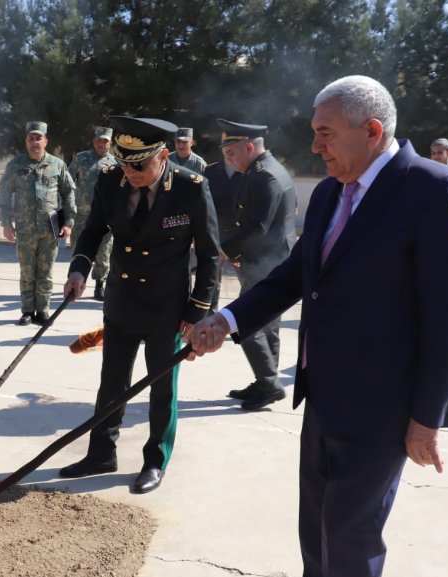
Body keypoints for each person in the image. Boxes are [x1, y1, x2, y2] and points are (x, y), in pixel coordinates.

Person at [187, 76, 448, 577]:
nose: (316, 147)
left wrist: (427, 417)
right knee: (317, 524)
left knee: (351, 533)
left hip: (385, 409)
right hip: (323, 394)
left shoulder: (434, 189)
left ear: (371, 131)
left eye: (325, 134)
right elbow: (296, 276)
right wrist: (226, 320)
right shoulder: (328, 193)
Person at [60, 116, 220, 494]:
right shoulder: (109, 181)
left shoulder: (190, 188)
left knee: (162, 388)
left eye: (139, 165)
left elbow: (211, 256)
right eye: (124, 163)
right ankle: (101, 453)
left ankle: (155, 460)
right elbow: (92, 231)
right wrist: (79, 271)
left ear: (162, 156)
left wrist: (196, 313)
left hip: (169, 308)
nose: (130, 172)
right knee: (111, 383)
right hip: (122, 299)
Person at [218, 120, 297, 410]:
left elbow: (257, 227)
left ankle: (269, 382)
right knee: (267, 324)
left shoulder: (265, 177)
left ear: (249, 147)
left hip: (267, 260)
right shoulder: (262, 170)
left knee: (246, 320)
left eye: (231, 153)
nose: (229, 160)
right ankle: (266, 381)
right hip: (268, 258)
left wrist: (224, 250)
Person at [0, 121, 76, 325]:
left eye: (38, 138)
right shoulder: (15, 166)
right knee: (27, 272)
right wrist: (6, 223)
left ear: (46, 141)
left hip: (50, 230)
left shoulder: (57, 165)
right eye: (31, 138)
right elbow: (5, 195)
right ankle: (27, 311)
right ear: (26, 141)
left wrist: (68, 223)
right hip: (25, 230)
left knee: (46, 271)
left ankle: (43, 311)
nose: (34, 142)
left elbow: (68, 194)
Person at [68, 126, 115, 300]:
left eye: (105, 141)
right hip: (81, 215)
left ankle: (99, 285)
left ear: (110, 143)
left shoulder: (115, 162)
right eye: (98, 140)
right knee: (79, 249)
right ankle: (77, 280)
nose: (101, 143)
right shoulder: (81, 158)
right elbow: (68, 181)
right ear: (93, 141)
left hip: (104, 217)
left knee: (104, 253)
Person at [203, 133, 243, 310]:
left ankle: (241, 325)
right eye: (226, 149)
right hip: (215, 233)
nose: (229, 153)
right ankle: (210, 320)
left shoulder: (248, 172)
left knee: (248, 282)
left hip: (241, 235)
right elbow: (202, 203)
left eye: (232, 149)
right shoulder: (210, 172)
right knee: (212, 282)